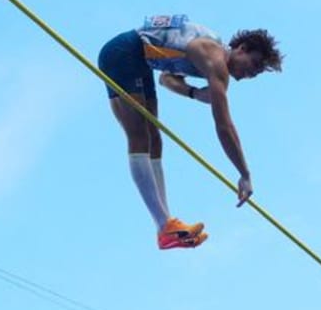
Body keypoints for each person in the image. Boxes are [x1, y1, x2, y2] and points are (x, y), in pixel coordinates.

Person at [97, 14, 283, 250]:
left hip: (140, 60)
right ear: (241, 48)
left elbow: (167, 78)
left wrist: (194, 93)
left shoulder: (212, 59)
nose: (249, 74)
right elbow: (224, 126)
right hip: (125, 52)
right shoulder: (214, 59)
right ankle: (165, 226)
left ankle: (166, 226)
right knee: (140, 135)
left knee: (154, 139)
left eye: (255, 74)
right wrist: (244, 173)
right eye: (253, 65)